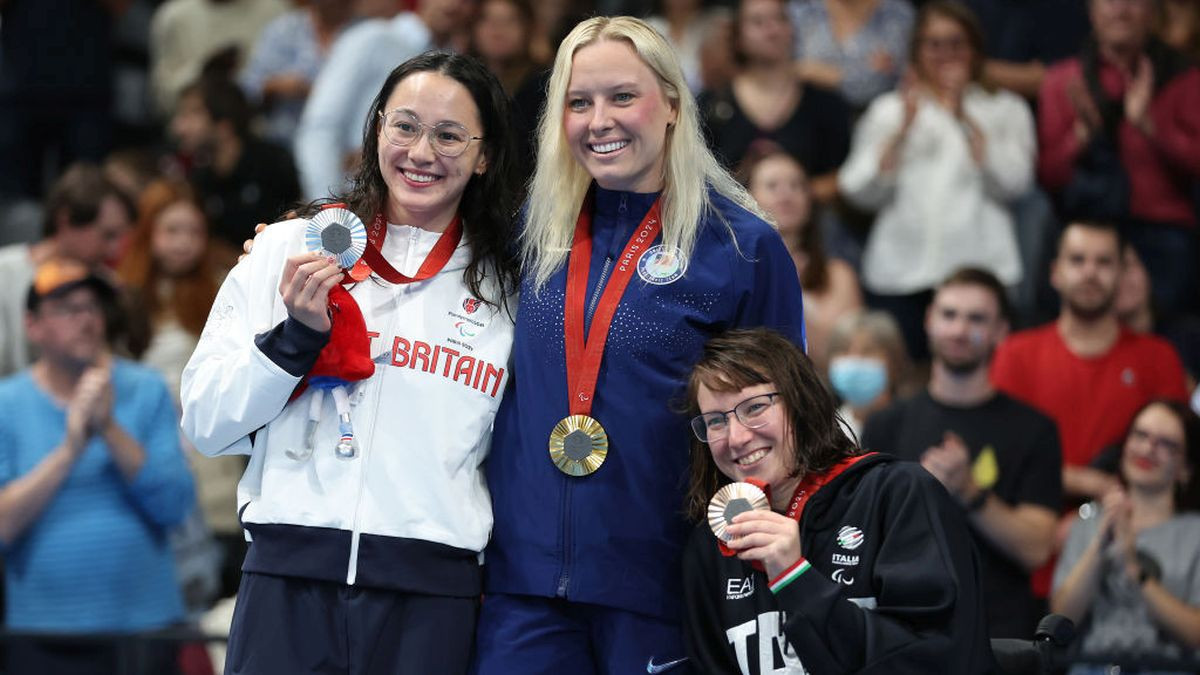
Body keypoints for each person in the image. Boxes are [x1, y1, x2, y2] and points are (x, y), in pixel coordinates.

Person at [474, 16, 807, 675]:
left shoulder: (741, 247)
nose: (600, 120)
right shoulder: (529, 235)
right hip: (524, 587)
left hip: (665, 585)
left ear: (673, 104)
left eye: (622, 96)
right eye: (579, 101)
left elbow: (785, 428)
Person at [180, 52, 520, 675]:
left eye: (449, 136)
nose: (422, 152)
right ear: (376, 129)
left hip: (430, 597)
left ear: (485, 155)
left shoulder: (512, 288)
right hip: (287, 581)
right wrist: (293, 341)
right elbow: (206, 422)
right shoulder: (289, 248)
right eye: (405, 126)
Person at [681, 327, 995, 673]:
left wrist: (795, 578)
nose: (737, 438)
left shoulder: (897, 495)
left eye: (754, 407)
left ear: (801, 402)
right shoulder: (712, 545)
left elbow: (937, 661)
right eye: (715, 421)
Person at [0, 258, 195, 674]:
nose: (86, 319)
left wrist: (108, 428)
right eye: (67, 309)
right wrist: (70, 450)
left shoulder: (146, 389)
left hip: (146, 630)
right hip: (43, 636)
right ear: (32, 326)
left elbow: (175, 507)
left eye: (92, 307)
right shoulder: (7, 404)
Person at [862, 267, 1061, 639]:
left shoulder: (1034, 429)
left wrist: (968, 490)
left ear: (1001, 331)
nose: (958, 329)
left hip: (999, 633)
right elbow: (866, 533)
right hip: (903, 627)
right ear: (928, 320)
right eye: (949, 314)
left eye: (976, 318)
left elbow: (1036, 548)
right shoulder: (886, 424)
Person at [838, 0, 1035, 361]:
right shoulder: (890, 110)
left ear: (974, 49)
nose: (946, 54)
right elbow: (856, 190)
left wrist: (966, 118)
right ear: (917, 51)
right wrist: (900, 133)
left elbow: (1016, 184)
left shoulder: (1006, 109)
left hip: (980, 273)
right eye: (934, 44)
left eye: (956, 42)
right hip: (898, 274)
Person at [992, 220, 1188, 505]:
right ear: (1055, 272)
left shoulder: (1159, 357)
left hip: (1131, 523)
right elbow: (1001, 454)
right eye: (1077, 260)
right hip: (1030, 525)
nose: (1090, 273)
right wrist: (1088, 483)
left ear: (1123, 274)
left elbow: (1178, 458)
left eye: (1104, 262)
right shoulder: (1015, 353)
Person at [1037, 0, 1200, 317]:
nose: (1121, 10)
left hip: (1162, 231)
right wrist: (1080, 137)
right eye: (1110, 0)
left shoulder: (1187, 78)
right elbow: (1048, 176)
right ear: (1091, 10)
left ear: (1153, 12)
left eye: (1134, 1)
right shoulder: (1063, 80)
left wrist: (1150, 127)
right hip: (1086, 228)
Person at [1051, 399, 1200, 671]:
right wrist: (1101, 544)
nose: (1148, 448)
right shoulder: (1089, 522)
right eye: (1140, 435)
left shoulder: (1194, 533)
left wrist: (1133, 568)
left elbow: (1195, 634)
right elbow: (1060, 619)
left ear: (1186, 468)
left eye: (1166, 443)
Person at [294, 0, 474, 200]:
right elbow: (321, 126)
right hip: (349, 200)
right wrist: (326, 208)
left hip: (419, 207)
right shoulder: (373, 39)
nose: (453, 5)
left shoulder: (461, 65)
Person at [698, 0, 852, 204]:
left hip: (811, 225)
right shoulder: (712, 104)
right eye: (758, 22)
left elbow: (846, 176)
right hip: (732, 224)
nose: (772, 30)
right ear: (737, 36)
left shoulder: (824, 102)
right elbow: (697, 177)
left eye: (781, 19)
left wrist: (789, 196)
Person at [0, 163, 133, 378]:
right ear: (66, 220)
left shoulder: (105, 287)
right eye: (107, 235)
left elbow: (122, 371)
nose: (115, 250)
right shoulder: (4, 273)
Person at [738, 145, 861, 374]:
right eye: (772, 186)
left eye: (796, 185)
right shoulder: (731, 270)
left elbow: (841, 363)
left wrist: (790, 289)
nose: (786, 195)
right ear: (747, 198)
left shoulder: (838, 274)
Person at [170, 76, 302, 253]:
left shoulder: (274, 164)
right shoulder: (198, 179)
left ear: (225, 125)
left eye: (191, 115)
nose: (178, 127)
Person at [788, 0, 916, 112]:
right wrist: (861, 72)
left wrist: (829, 76)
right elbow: (782, 72)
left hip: (877, 119)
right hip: (806, 117)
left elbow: (882, 83)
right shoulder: (802, 11)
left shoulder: (897, 15)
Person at [826, 310, 910, 440]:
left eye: (868, 351)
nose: (854, 360)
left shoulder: (914, 423)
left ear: (894, 361)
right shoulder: (824, 430)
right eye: (843, 350)